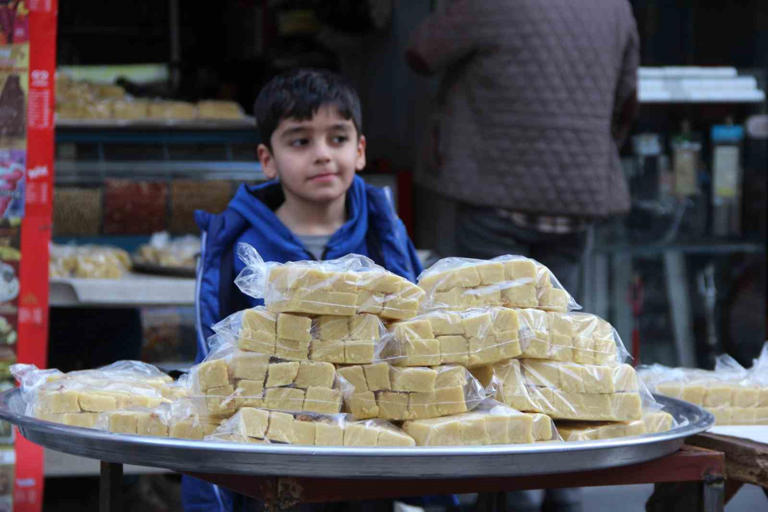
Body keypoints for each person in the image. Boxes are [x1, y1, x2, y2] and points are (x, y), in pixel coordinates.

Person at [183, 68, 422, 511]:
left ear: (361, 150)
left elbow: (416, 343)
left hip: (370, 462)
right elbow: (211, 368)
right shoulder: (235, 245)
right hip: (270, 464)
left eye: (337, 138)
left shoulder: (384, 235)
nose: (322, 155)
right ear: (267, 159)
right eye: (299, 141)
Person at [406, 0, 640, 298]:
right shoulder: (615, 6)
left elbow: (421, 53)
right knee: (555, 327)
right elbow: (627, 103)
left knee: (485, 325)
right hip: (576, 199)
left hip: (491, 189)